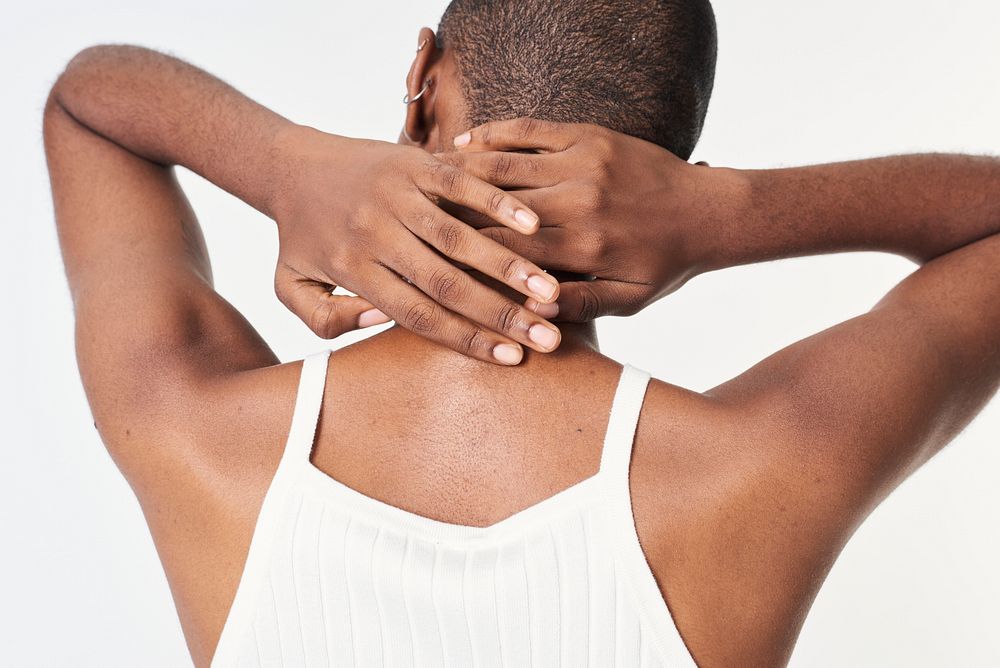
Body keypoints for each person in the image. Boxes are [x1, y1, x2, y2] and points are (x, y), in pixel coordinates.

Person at [42, 0, 1000, 666]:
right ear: (674, 164)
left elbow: (89, 101)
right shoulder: (772, 464)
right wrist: (732, 213)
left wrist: (280, 165)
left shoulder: (196, 433)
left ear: (421, 76)